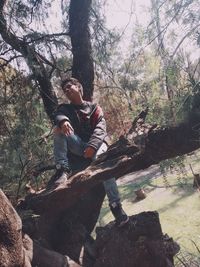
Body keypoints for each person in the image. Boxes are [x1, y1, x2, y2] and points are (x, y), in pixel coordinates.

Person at [51, 77, 129, 227]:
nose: (66, 90)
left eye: (69, 86)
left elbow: (101, 129)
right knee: (58, 129)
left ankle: (116, 207)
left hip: (98, 145)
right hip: (79, 146)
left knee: (102, 160)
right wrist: (63, 121)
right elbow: (58, 115)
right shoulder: (65, 109)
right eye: (64, 89)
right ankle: (62, 170)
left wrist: (92, 146)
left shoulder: (94, 107)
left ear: (79, 87)